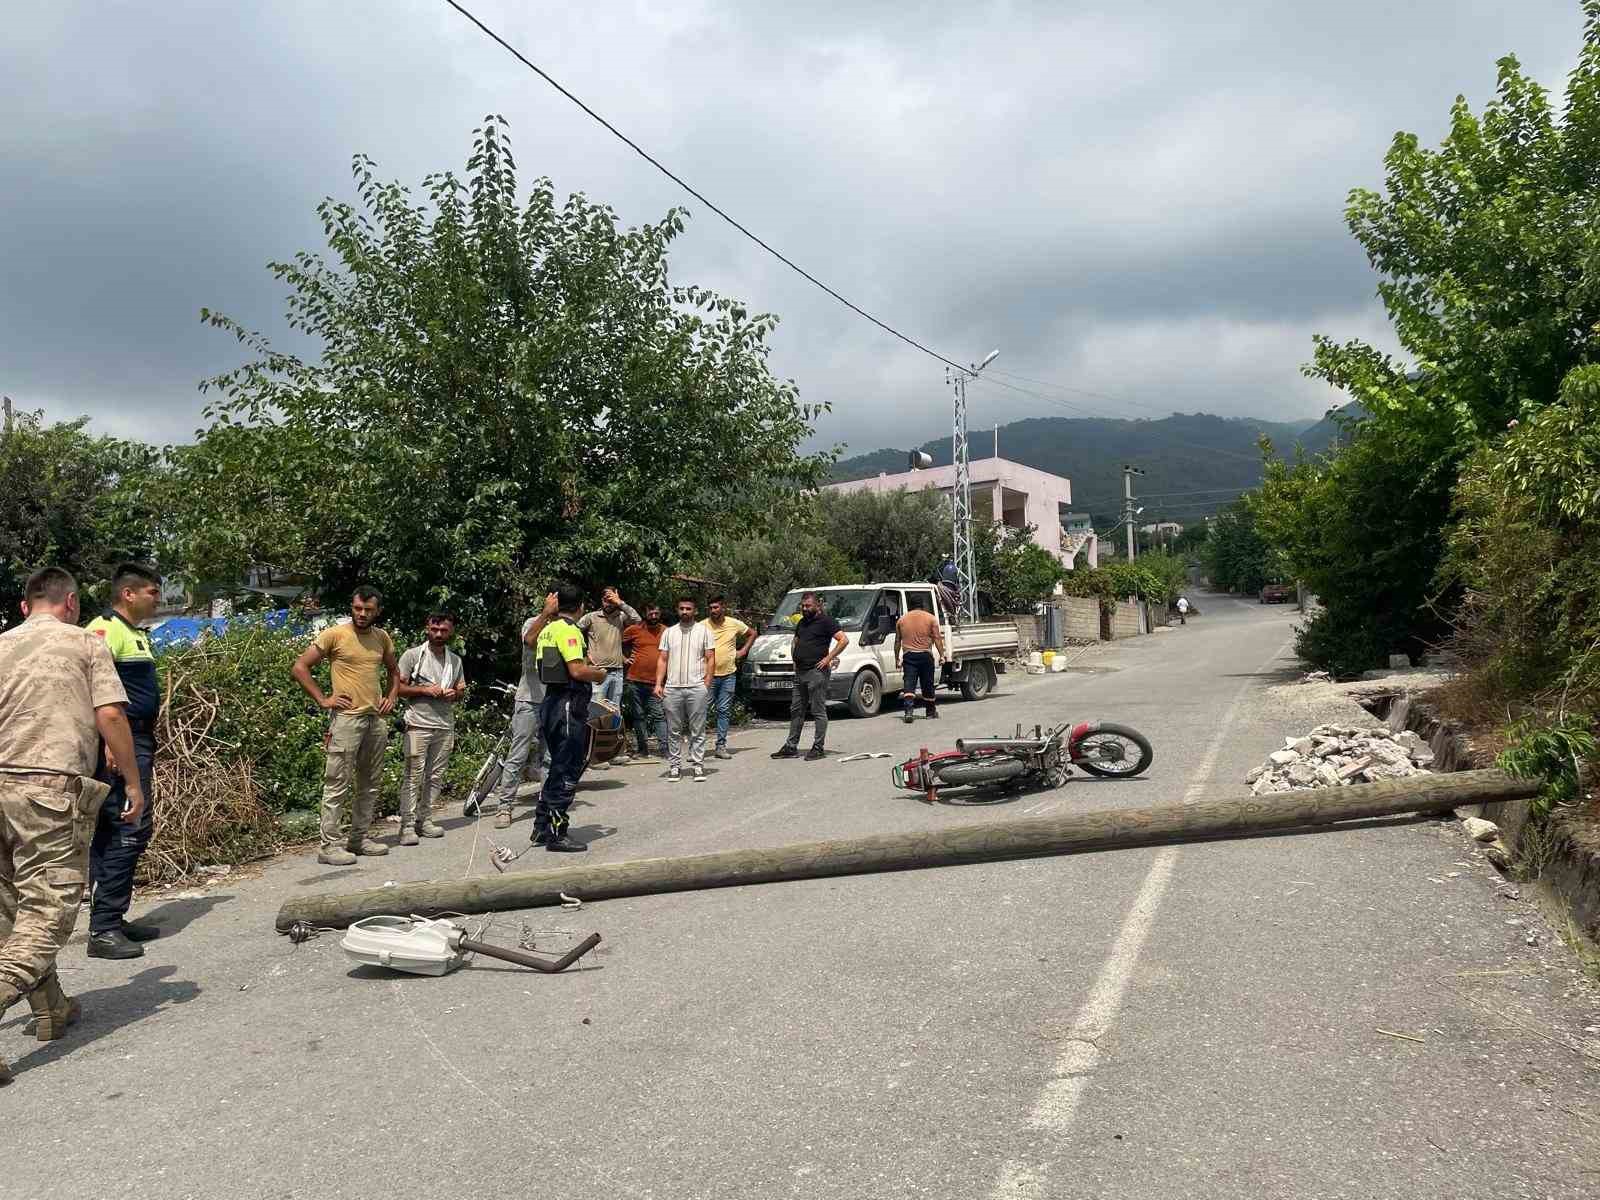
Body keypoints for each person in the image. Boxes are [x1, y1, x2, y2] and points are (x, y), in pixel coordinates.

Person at [0, 567, 144, 1085]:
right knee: (48, 913)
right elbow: (110, 715)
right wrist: (132, 781)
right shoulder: (84, 644)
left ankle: (51, 1007)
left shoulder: (0, 646)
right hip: (48, 789)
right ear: (72, 603)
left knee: (11, 909)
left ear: (24, 608)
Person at [82, 562, 165, 960]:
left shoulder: (134, 633)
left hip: (137, 738)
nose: (158, 598)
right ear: (128, 594)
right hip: (121, 742)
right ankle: (104, 929)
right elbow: (93, 695)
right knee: (129, 826)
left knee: (116, 829)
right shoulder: (103, 630)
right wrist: (110, 744)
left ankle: (111, 916)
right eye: (152, 591)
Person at [291, 586, 400, 866]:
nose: (362, 614)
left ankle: (358, 839)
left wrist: (391, 696)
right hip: (346, 720)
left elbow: (393, 670)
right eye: (357, 609)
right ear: (351, 608)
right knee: (337, 782)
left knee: (370, 782)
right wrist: (323, 699)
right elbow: (300, 667)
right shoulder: (335, 635)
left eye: (368, 610)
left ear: (378, 611)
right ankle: (329, 846)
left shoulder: (381, 637)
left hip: (375, 719)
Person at [533, 584, 607, 851]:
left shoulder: (547, 630)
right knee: (568, 768)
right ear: (581, 607)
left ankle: (541, 827)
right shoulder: (569, 631)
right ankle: (557, 833)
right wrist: (599, 674)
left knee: (557, 766)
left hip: (551, 702)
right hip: (568, 704)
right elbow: (577, 670)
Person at [395, 613, 466, 846]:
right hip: (417, 724)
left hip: (445, 726)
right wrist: (426, 690)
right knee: (413, 774)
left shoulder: (454, 660)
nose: (438, 634)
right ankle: (406, 825)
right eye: (434, 629)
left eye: (444, 630)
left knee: (435, 776)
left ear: (451, 631)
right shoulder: (413, 655)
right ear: (427, 628)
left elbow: (460, 690)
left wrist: (454, 694)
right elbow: (397, 688)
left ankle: (425, 819)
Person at [489, 605, 552, 829]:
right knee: (518, 754)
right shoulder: (533, 622)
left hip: (553, 700)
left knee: (549, 757)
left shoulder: (566, 627)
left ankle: (547, 804)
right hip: (529, 699)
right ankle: (504, 807)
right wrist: (545, 614)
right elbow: (530, 641)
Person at [771, 592, 848, 762]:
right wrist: (795, 659)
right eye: (803, 606)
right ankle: (791, 746)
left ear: (817, 606)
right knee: (796, 709)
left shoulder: (827, 621)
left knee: (818, 710)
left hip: (816, 672)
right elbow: (795, 641)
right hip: (800, 672)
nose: (805, 609)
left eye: (808, 606)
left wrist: (828, 659)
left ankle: (818, 747)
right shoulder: (802, 622)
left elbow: (843, 640)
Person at [577, 587, 639, 768]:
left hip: (617, 671)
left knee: (614, 713)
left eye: (610, 598)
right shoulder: (591, 617)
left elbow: (637, 619)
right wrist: (584, 658)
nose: (608, 602)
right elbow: (571, 630)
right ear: (600, 600)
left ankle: (615, 752)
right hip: (597, 673)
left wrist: (619, 603)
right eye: (605, 598)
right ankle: (594, 757)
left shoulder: (620, 616)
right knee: (596, 714)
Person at [655, 597, 716, 782]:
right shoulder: (669, 632)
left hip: (696, 687)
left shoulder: (704, 631)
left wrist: (707, 682)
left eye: (688, 608)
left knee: (697, 729)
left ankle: (698, 766)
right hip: (672, 688)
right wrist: (658, 683)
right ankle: (675, 767)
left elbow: (710, 658)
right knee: (673, 730)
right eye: (681, 608)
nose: (685, 612)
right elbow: (663, 659)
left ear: (695, 611)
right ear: (677, 610)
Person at [700, 596, 754, 760]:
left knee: (723, 711)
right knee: (701, 711)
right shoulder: (701, 626)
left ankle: (721, 746)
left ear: (723, 607)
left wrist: (743, 651)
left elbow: (752, 633)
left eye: (716, 607)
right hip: (706, 676)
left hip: (728, 675)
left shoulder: (733, 623)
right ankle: (698, 749)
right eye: (710, 608)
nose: (713, 610)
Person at [621, 603, 668, 760]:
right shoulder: (634, 630)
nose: (654, 616)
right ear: (645, 614)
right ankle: (643, 749)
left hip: (656, 682)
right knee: (638, 716)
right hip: (635, 680)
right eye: (650, 613)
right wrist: (624, 659)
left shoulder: (666, 631)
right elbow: (616, 644)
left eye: (656, 613)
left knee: (659, 715)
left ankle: (664, 748)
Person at [895, 595, 948, 723]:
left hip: (909, 656)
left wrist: (897, 658)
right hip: (925, 656)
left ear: (910, 606)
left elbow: (897, 641)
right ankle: (930, 712)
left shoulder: (902, 620)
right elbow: (937, 639)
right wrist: (942, 655)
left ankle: (908, 711)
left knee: (909, 684)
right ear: (922, 605)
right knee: (927, 684)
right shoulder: (931, 619)